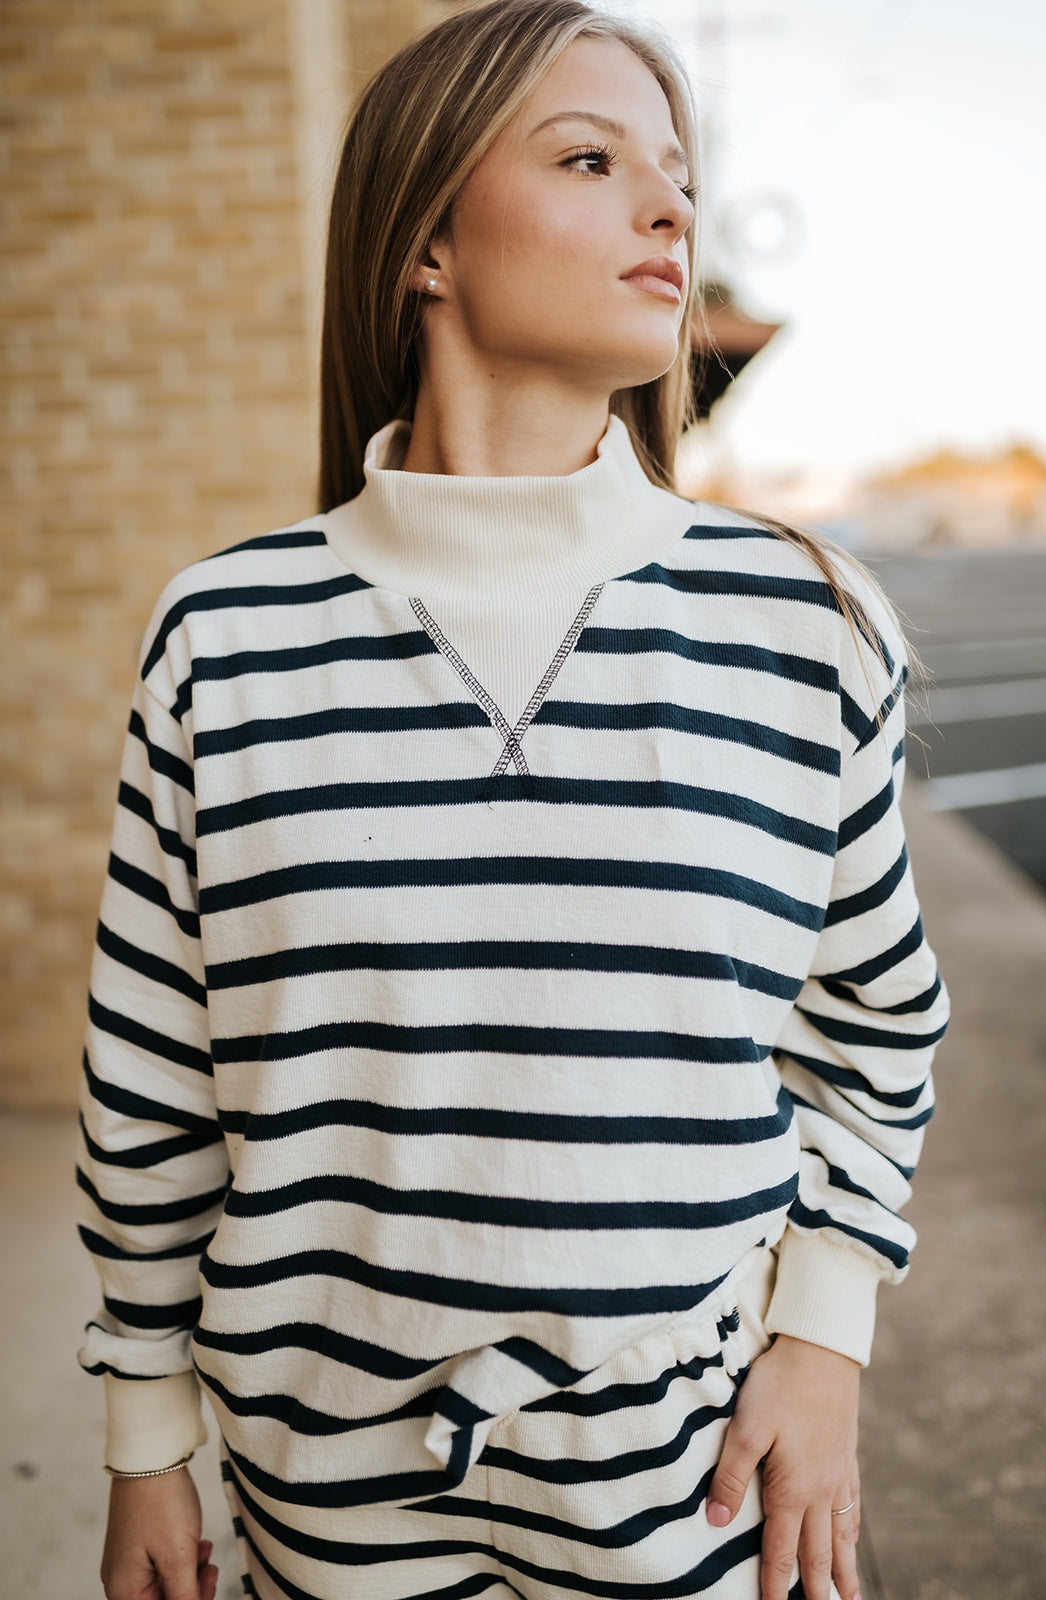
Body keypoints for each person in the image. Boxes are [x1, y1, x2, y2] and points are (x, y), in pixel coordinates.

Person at [77, 3, 949, 1598]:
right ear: (425, 246)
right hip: (315, 1489)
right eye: (591, 157)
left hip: (695, 1486)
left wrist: (825, 1343)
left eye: (676, 173)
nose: (673, 208)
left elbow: (875, 1034)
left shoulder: (806, 622)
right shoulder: (227, 636)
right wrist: (147, 1433)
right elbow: (152, 1076)